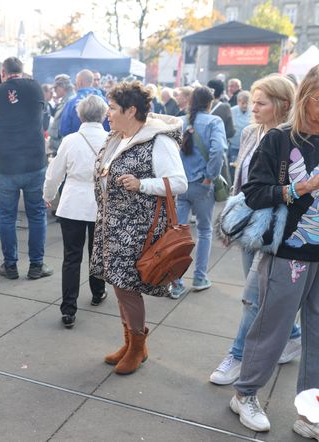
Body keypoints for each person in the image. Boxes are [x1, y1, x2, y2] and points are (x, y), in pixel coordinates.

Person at [228, 65, 319, 439]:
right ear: (309, 96)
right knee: (273, 327)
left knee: (317, 335)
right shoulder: (281, 139)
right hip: (289, 251)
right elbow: (254, 193)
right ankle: (245, 393)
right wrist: (301, 188)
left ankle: (309, 412)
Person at [90, 81, 187, 375]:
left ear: (131, 110)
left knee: (127, 288)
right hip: (111, 228)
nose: (108, 113)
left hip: (137, 231)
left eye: (113, 108)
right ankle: (132, 342)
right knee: (119, 286)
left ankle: (136, 346)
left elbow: (180, 182)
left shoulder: (159, 141)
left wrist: (142, 184)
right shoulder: (117, 137)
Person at [209, 74, 300, 386]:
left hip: (274, 229)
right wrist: (231, 225)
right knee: (261, 293)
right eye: (252, 102)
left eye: (261, 103)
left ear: (283, 105)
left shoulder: (294, 139)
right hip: (248, 224)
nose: (252, 107)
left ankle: (237, 356)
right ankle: (293, 335)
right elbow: (240, 183)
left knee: (251, 297)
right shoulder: (251, 132)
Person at [0, 56, 53, 280]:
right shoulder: (35, 88)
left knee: (6, 217)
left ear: (3, 72)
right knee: (36, 214)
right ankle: (36, 266)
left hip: (6, 165)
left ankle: (10, 266)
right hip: (34, 162)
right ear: (22, 71)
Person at [43, 95, 109, 328]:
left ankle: (68, 308)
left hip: (72, 202)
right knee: (97, 251)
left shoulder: (70, 140)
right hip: (100, 203)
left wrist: (48, 195)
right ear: (103, 115)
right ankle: (97, 291)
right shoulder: (111, 140)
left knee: (71, 257)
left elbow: (55, 172)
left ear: (80, 115)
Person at [170, 86, 226, 299]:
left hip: (181, 183)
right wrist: (210, 176)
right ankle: (200, 277)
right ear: (210, 103)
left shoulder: (181, 121)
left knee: (178, 234)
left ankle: (176, 282)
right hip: (202, 184)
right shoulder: (214, 122)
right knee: (204, 231)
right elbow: (218, 150)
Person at [59, 69, 108, 136]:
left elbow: (64, 130)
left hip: (77, 144)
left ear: (80, 82)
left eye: (76, 81)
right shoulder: (105, 101)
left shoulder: (71, 103)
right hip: (103, 143)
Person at [47, 74, 74, 155]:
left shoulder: (69, 102)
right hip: (58, 147)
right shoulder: (65, 101)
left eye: (56, 88)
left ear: (63, 87)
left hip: (61, 149)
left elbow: (66, 130)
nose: (54, 91)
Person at [228, 91, 251, 177]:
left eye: (247, 103)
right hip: (235, 146)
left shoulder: (253, 111)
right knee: (234, 170)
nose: (245, 105)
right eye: (242, 103)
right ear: (238, 102)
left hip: (248, 147)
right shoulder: (232, 111)